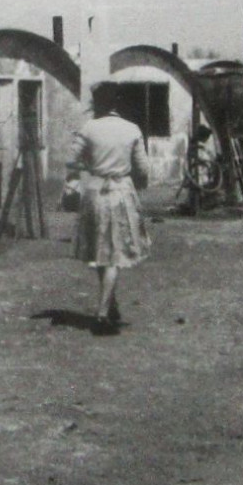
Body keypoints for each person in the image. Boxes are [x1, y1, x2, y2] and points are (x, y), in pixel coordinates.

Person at [69, 83, 151, 333]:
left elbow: (71, 160)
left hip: (94, 192)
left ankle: (110, 302)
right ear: (117, 103)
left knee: (101, 251)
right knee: (114, 253)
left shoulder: (89, 128)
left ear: (97, 104)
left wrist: (91, 165)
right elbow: (144, 170)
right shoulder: (131, 129)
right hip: (121, 193)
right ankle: (102, 314)